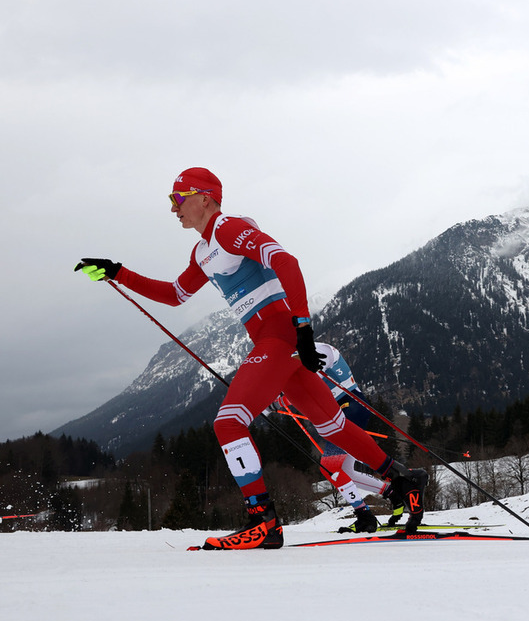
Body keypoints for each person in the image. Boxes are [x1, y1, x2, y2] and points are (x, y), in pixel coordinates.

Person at [74, 167, 428, 549]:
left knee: (229, 424)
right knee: (333, 428)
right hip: (279, 342)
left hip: (279, 338)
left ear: (205, 198)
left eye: (178, 199)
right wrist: (118, 272)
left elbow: (286, 262)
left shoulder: (228, 228)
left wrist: (304, 328)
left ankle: (263, 521)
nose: (174, 209)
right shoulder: (203, 250)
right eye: (170, 202)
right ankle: (401, 484)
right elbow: (175, 294)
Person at [314, 342, 428, 534]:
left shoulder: (317, 349)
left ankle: (365, 516)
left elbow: (316, 369)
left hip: (349, 407)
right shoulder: (291, 359)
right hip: (344, 409)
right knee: (345, 471)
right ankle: (395, 489)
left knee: (329, 466)